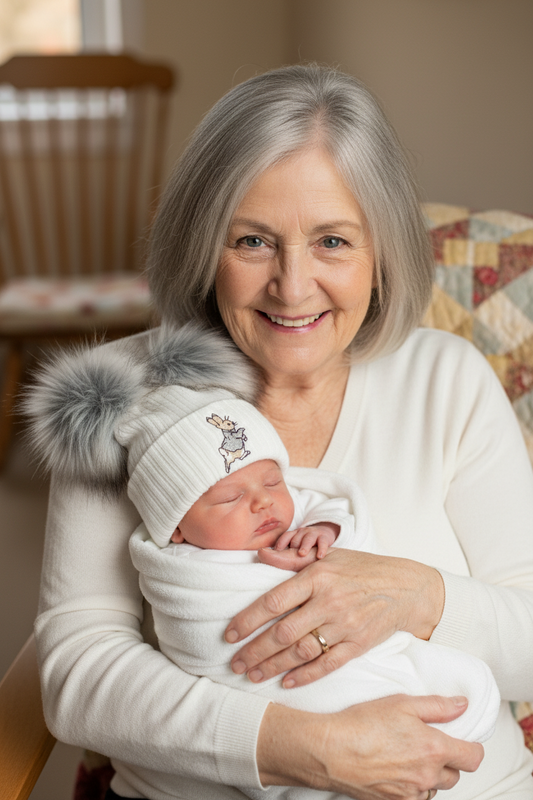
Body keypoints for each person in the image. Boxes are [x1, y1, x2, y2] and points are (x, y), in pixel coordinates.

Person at [29, 64, 533, 800]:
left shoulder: (445, 380)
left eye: (332, 241)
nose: (292, 288)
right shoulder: (119, 401)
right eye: (253, 242)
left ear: (380, 251)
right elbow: (77, 672)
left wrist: (417, 598)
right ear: (202, 245)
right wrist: (298, 748)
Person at [27, 323, 499, 798]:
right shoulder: (182, 573)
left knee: (461, 686)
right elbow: (192, 646)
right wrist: (313, 747)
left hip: (445, 749)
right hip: (272, 719)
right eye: (231, 497)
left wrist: (334, 535)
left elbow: (335, 512)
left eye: (273, 483)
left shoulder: (446, 374)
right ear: (175, 527)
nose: (263, 504)